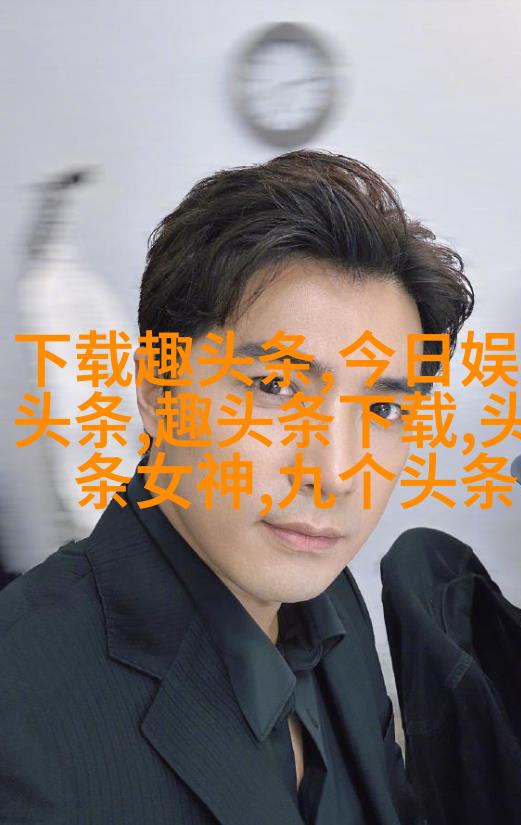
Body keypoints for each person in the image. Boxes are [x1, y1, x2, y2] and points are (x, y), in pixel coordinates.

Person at [0, 150, 474, 825]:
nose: (337, 472)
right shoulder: (21, 714)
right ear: (157, 392)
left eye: (383, 408)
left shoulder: (328, 599)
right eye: (275, 386)